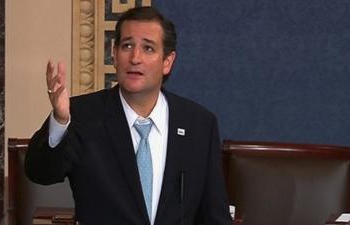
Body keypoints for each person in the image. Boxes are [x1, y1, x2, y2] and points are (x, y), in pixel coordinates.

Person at [25, 6, 232, 225]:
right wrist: (59, 122)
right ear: (114, 55)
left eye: (148, 48)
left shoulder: (198, 124)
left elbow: (214, 214)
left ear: (167, 62)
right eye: (127, 46)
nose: (135, 57)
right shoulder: (82, 115)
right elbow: (41, 173)